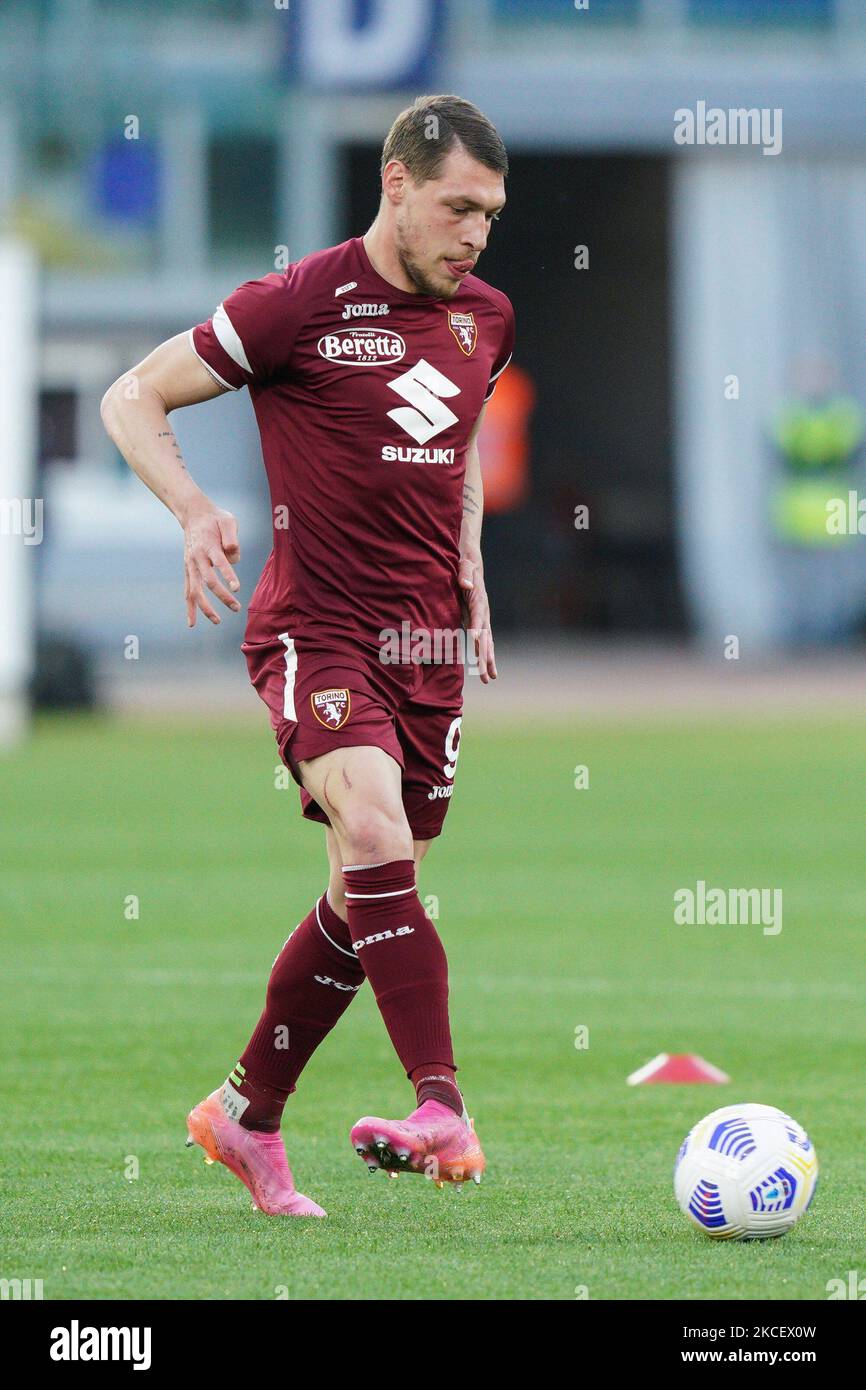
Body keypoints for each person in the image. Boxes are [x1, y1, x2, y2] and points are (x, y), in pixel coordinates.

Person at [101, 93, 514, 1216]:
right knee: (375, 833)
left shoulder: (485, 315)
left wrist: (468, 561)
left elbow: (459, 438)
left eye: (490, 213)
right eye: (456, 207)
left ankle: (245, 1112)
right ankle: (441, 1103)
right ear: (395, 183)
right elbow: (131, 396)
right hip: (316, 631)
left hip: (425, 641)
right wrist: (191, 508)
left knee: (363, 887)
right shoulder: (298, 303)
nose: (474, 234)